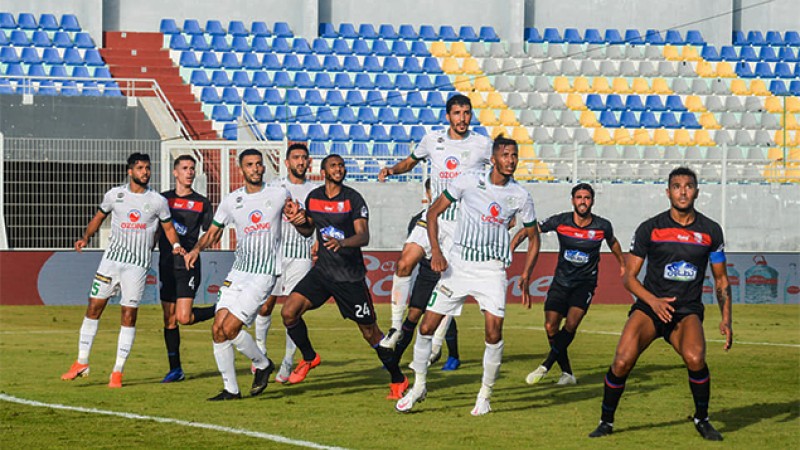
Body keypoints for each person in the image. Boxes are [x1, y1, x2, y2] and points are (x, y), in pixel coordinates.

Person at [396, 137, 540, 416]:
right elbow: (434, 211)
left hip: (492, 270)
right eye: (506, 155)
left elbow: (534, 238)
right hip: (458, 267)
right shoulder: (468, 180)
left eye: (515, 155)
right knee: (426, 328)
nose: (511, 160)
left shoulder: (520, 196)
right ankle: (419, 386)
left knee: (493, 332)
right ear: (494, 158)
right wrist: (436, 251)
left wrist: (526, 274)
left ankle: (485, 394)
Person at [588, 167, 732, 441]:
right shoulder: (650, 228)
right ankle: (606, 421)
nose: (683, 191)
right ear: (668, 192)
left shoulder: (711, 231)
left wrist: (726, 319)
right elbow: (629, 279)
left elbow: (721, 280)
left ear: (697, 192)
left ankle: (702, 419)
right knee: (621, 362)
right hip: (649, 307)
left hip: (686, 311)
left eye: (688, 186)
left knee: (695, 358)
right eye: (677, 186)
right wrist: (653, 302)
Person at [281, 154, 407, 399]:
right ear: (324, 170)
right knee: (288, 312)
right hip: (322, 273)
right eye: (333, 166)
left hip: (349, 277)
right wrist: (298, 221)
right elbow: (309, 230)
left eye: (341, 165)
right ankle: (309, 357)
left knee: (371, 333)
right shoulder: (314, 197)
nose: (339, 169)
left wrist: (343, 242)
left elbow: (363, 236)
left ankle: (397, 378)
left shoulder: (353, 198)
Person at [377, 94, 492, 360]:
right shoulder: (432, 140)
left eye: (466, 113)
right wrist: (391, 170)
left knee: (449, 285)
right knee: (404, 263)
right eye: (457, 113)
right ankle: (395, 327)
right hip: (433, 217)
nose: (462, 118)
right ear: (448, 116)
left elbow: (499, 173)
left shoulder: (482, 144)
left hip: (462, 224)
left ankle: (437, 343)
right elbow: (410, 162)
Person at [61, 153, 185, 388]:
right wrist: (85, 237)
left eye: (148, 168)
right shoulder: (115, 195)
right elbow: (98, 217)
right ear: (130, 172)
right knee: (93, 307)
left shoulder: (157, 201)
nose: (145, 172)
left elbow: (168, 228)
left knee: (128, 315)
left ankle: (117, 371)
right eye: (140, 168)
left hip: (137, 266)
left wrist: (177, 245)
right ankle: (81, 362)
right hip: (110, 261)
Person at [184, 149, 293, 401]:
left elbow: (297, 217)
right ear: (241, 170)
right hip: (238, 272)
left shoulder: (278, 194)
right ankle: (231, 390)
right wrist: (196, 250)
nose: (255, 168)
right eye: (249, 165)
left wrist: (303, 222)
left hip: (264, 273)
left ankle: (263, 363)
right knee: (218, 329)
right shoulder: (231, 200)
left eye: (258, 164)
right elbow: (212, 233)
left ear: (263, 168)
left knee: (231, 327)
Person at [512, 183, 625, 385]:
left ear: (592, 201)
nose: (583, 201)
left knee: (571, 325)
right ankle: (567, 373)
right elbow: (528, 231)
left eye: (587, 198)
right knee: (550, 327)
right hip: (561, 282)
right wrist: (510, 249)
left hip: (585, 284)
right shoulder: (561, 221)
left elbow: (613, 242)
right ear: (573, 200)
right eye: (579, 197)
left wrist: (623, 264)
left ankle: (545, 366)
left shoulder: (602, 226)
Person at [253, 143, 317, 383]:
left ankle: (288, 363)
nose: (300, 162)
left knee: (293, 311)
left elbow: (318, 220)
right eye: (296, 158)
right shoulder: (275, 188)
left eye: (304, 158)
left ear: (308, 162)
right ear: (287, 163)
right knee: (264, 306)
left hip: (301, 256)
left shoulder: (315, 190)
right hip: (275, 255)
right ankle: (260, 356)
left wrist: (318, 240)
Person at [393, 179, 461, 371]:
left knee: (444, 315)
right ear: (429, 194)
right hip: (426, 272)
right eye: (434, 192)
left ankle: (451, 355)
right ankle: (395, 357)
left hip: (447, 274)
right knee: (413, 314)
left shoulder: (457, 219)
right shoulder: (419, 219)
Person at [158, 154, 214, 383]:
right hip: (166, 264)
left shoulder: (202, 202)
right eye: (185, 168)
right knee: (169, 320)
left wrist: (196, 251)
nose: (189, 172)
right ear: (175, 173)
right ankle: (176, 369)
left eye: (192, 168)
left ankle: (221, 309)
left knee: (184, 317)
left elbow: (210, 234)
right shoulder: (162, 200)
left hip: (188, 264)